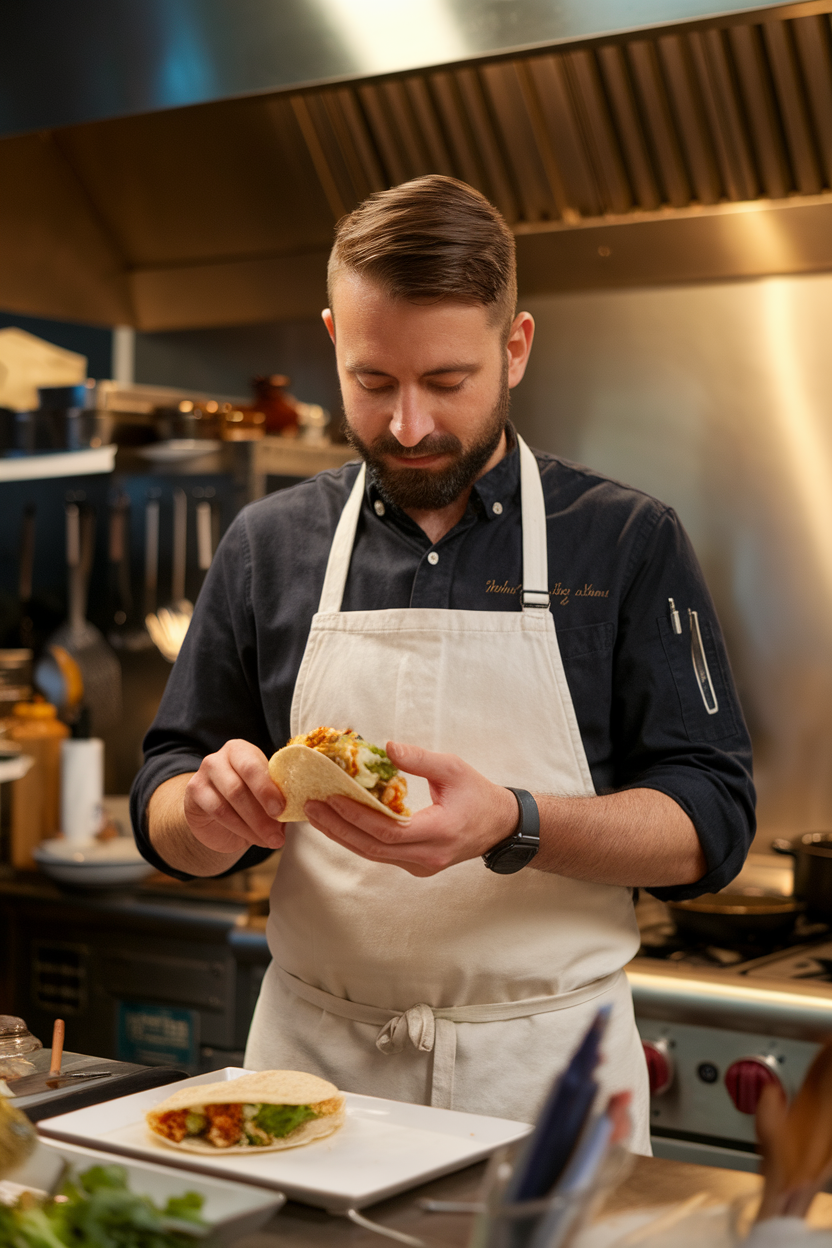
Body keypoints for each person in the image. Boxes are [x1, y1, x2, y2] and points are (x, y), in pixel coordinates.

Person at [131, 175, 754, 1150]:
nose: (409, 426)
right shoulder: (268, 543)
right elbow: (166, 797)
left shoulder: (625, 540)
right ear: (334, 337)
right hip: (313, 1076)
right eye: (373, 382)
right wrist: (208, 819)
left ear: (515, 349)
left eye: (448, 382)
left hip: (545, 1082)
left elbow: (710, 821)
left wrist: (515, 821)